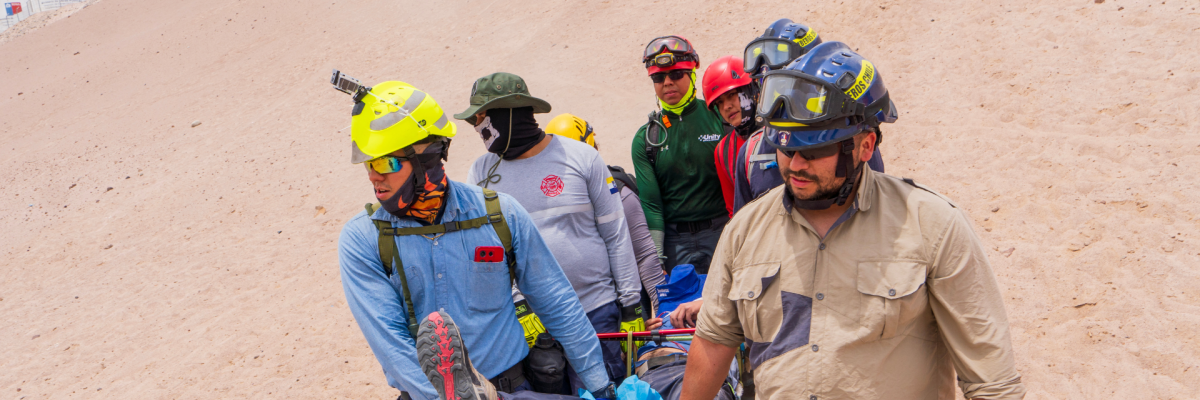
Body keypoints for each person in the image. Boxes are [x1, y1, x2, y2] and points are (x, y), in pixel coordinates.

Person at [680, 42, 1027, 399]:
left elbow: (993, 383)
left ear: (865, 146)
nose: (796, 165)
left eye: (813, 150)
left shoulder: (932, 225)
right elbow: (713, 343)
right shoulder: (744, 231)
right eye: (785, 149)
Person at [333, 78, 616, 400]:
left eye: (385, 162)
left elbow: (558, 304)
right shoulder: (363, 238)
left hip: (512, 386)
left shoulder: (501, 214)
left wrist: (600, 385)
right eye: (369, 164)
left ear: (427, 158)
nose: (373, 175)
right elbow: (392, 347)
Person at [460, 73, 644, 384]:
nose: (477, 128)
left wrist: (631, 306)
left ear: (508, 114)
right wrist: (519, 304)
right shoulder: (479, 173)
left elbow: (616, 236)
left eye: (480, 118)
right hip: (534, 325)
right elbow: (484, 253)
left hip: (597, 313)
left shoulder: (582, 158)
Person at [732, 18, 886, 214]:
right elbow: (744, 225)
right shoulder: (749, 153)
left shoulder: (850, 138)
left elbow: (873, 205)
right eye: (770, 85)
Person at [545, 113, 667, 318]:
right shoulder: (547, 197)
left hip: (624, 309)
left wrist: (664, 312)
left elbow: (645, 256)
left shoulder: (620, 194)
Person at [631, 35, 728, 275]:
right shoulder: (645, 138)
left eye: (675, 75)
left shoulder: (720, 119)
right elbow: (651, 204)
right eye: (658, 78)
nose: (667, 83)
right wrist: (657, 257)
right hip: (675, 243)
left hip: (723, 233)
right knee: (682, 313)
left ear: (692, 74)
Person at [701, 55, 757, 218]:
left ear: (750, 89)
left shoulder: (778, 132)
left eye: (732, 94)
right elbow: (734, 210)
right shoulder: (722, 151)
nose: (726, 106)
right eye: (719, 102)